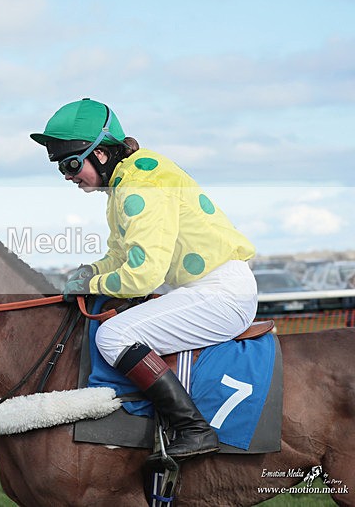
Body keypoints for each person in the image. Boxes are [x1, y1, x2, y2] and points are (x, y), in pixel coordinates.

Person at [30, 98, 257, 460]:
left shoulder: (140, 185)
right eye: (60, 168)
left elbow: (142, 276)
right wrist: (91, 271)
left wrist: (91, 284)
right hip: (206, 289)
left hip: (221, 294)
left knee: (115, 334)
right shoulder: (126, 182)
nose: (68, 176)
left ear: (101, 154)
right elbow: (122, 257)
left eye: (71, 164)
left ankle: (193, 429)